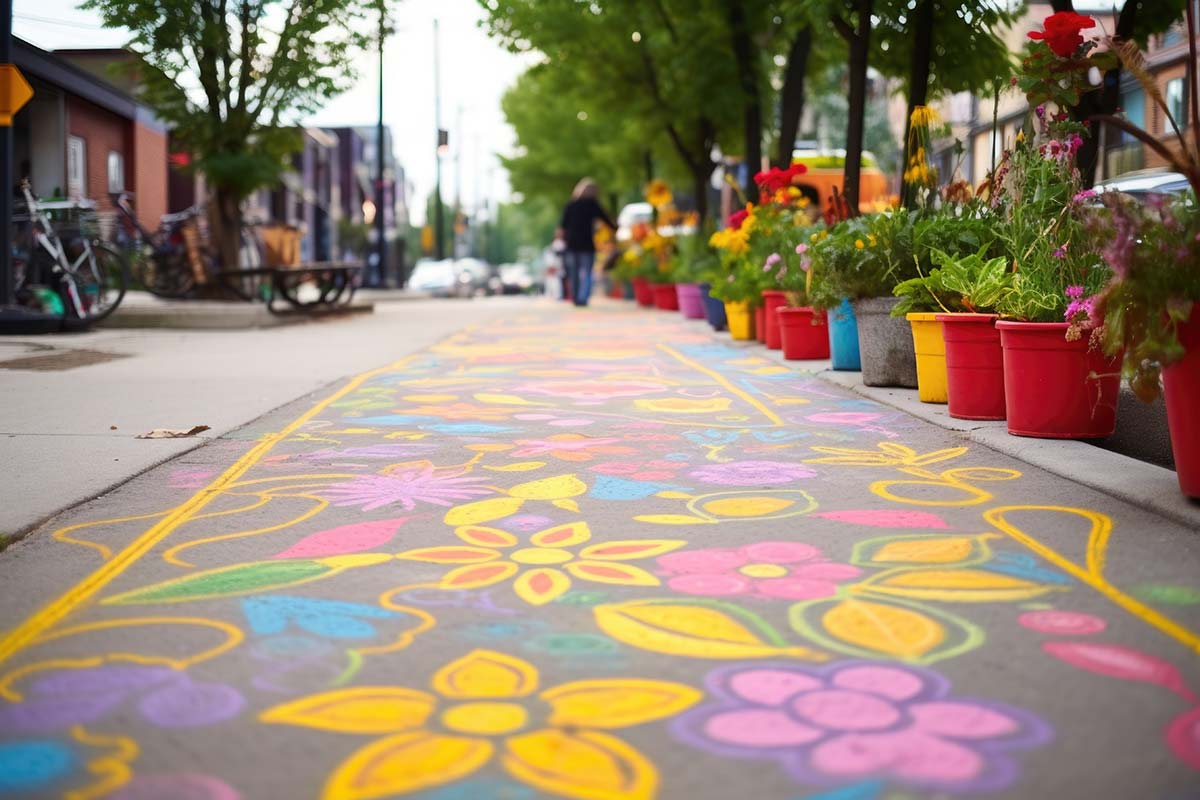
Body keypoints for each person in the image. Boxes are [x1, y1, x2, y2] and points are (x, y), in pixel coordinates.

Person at [557, 178, 618, 307]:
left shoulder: (571, 205)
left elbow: (563, 225)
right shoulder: (593, 205)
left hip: (572, 243)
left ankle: (576, 297)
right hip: (586, 243)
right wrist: (616, 228)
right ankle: (583, 297)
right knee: (587, 272)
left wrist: (561, 239)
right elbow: (606, 219)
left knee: (574, 272)